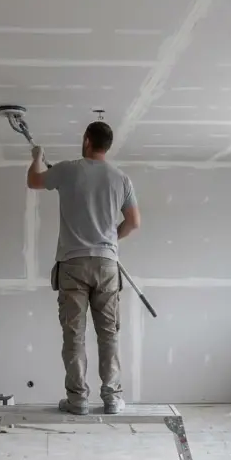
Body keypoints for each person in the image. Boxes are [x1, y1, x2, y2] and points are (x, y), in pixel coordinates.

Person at [26, 121, 140, 416]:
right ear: (107, 146)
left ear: (87, 140)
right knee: (108, 334)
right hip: (106, 264)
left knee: (74, 335)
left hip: (73, 264)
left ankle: (77, 399)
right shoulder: (121, 179)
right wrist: (110, 239)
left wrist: (37, 157)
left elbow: (34, 181)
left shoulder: (68, 170)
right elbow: (133, 222)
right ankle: (112, 398)